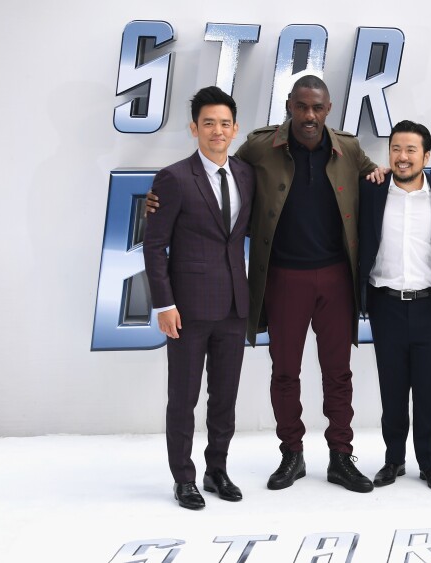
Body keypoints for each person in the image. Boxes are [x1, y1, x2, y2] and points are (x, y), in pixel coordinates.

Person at [150, 75, 383, 493]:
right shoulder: (259, 146)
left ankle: (341, 456)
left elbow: (377, 180)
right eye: (301, 106)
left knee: (339, 373)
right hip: (282, 276)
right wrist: (157, 202)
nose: (309, 115)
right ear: (289, 106)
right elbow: (217, 176)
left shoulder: (348, 148)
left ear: (328, 109)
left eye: (317, 108)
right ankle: (291, 453)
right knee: (285, 372)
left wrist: (405, 173)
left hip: (336, 277)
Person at [143, 86, 255, 509]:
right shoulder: (172, 178)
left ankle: (217, 471)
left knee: (224, 397)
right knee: (184, 397)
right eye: (208, 123)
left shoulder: (246, 174)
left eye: (224, 123)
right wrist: (163, 304)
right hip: (187, 309)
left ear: (235, 128)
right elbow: (154, 247)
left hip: (233, 307)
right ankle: (183, 478)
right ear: (194, 128)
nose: (217, 131)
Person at [359, 120, 431, 492]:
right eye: (396, 149)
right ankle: (393, 460)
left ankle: (430, 464)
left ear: (426, 155)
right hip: (385, 304)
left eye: (410, 150)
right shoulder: (370, 191)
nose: (402, 157)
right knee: (392, 389)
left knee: (428, 391)